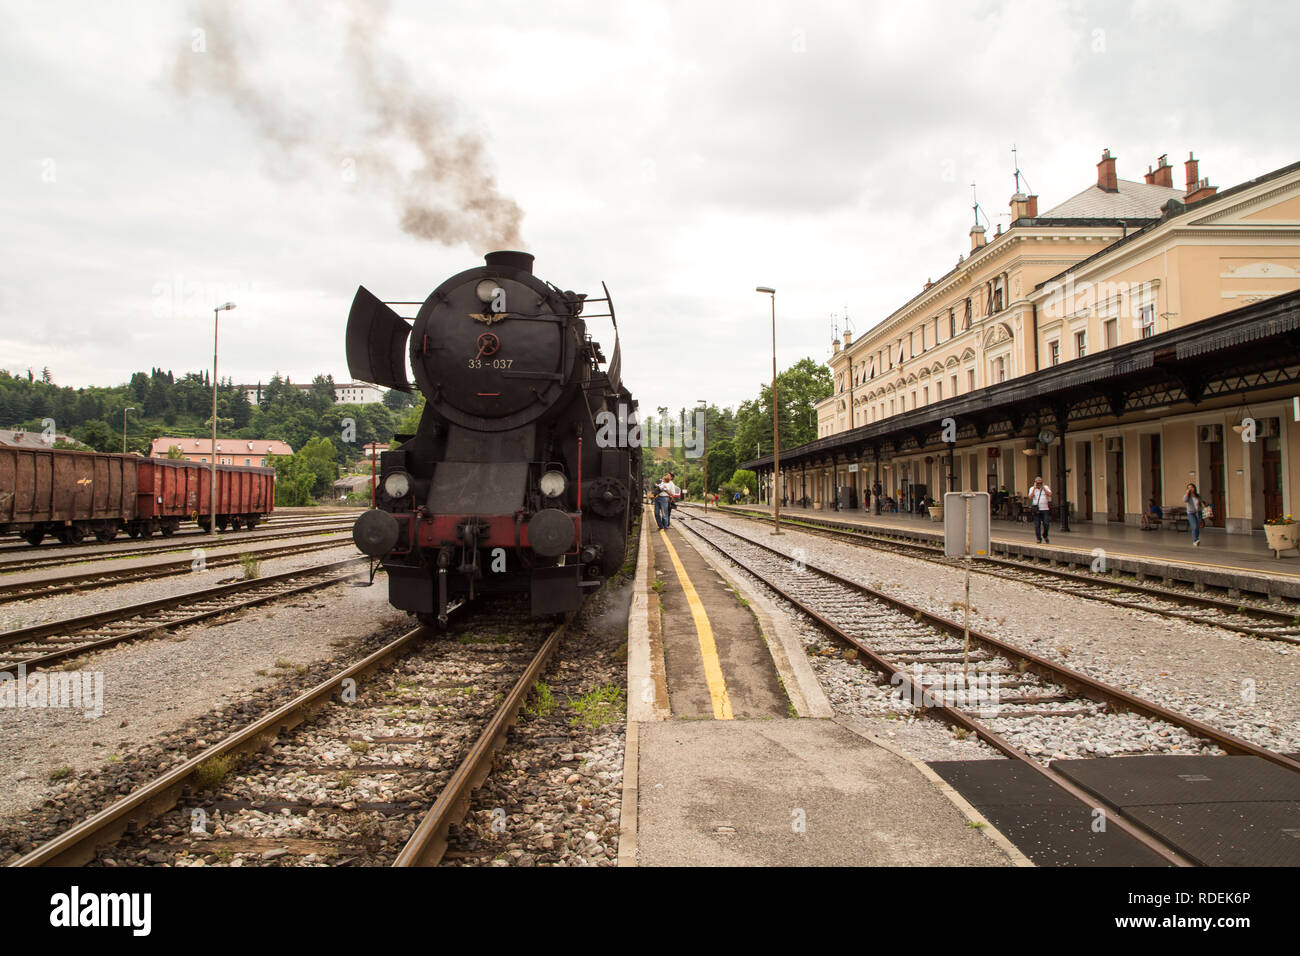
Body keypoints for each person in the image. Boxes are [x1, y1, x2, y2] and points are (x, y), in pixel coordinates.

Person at [1027, 475, 1052, 543]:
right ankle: (1038, 538)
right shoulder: (1032, 488)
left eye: (1040, 483)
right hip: (1036, 509)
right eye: (1037, 483)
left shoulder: (1045, 487)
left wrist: (1043, 487)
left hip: (1045, 509)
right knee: (1037, 525)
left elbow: (1050, 494)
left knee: (1046, 523)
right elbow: (1030, 497)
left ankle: (1045, 535)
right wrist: (1034, 488)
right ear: (1035, 482)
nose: (1039, 484)